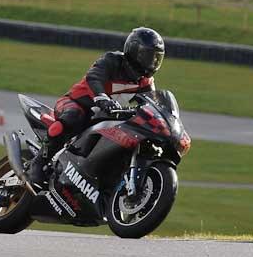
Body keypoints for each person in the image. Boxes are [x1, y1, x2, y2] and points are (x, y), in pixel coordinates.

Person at [27, 26, 165, 189]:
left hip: (106, 116)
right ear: (134, 51)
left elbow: (151, 104)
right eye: (148, 56)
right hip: (75, 103)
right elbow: (94, 77)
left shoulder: (146, 82)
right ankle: (38, 162)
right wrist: (102, 98)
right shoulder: (112, 60)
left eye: (157, 58)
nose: (152, 62)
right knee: (73, 116)